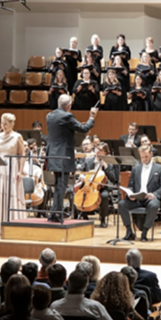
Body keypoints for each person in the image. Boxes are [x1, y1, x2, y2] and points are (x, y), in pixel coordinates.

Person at [46, 94, 97, 223]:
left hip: (52, 154)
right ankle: (55, 213)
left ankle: (54, 212)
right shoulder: (67, 116)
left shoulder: (49, 116)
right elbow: (83, 128)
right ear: (69, 106)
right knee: (61, 185)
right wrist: (92, 117)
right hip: (63, 155)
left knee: (58, 185)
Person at [118, 145, 161, 242]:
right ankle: (129, 231)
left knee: (154, 205)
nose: (144, 159)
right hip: (137, 198)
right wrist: (130, 194)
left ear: (151, 154)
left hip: (150, 198)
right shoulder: (136, 169)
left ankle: (144, 232)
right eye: (142, 157)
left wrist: (154, 194)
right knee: (122, 204)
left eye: (146, 156)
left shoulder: (160, 169)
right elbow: (130, 185)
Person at [77, 143, 119, 228]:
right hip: (88, 186)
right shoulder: (88, 160)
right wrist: (81, 176)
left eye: (100, 150)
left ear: (105, 153)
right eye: (97, 149)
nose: (98, 151)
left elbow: (113, 179)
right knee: (79, 195)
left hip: (102, 187)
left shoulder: (109, 163)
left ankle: (102, 219)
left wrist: (106, 166)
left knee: (104, 196)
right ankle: (84, 216)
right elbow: (79, 171)